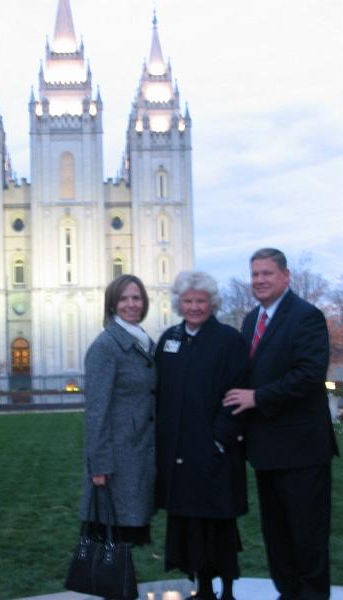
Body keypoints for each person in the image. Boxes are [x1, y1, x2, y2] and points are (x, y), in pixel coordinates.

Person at [224, 248, 339, 600]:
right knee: (278, 536)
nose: (259, 280)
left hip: (302, 450)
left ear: (285, 276)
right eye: (255, 274)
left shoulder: (306, 317)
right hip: (266, 449)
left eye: (267, 274)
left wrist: (257, 397)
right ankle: (287, 593)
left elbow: (308, 376)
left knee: (307, 535)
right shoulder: (250, 320)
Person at [155, 270, 249, 600]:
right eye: (188, 300)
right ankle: (203, 587)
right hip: (181, 455)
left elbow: (239, 391)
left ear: (212, 303)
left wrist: (220, 439)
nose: (194, 306)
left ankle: (227, 590)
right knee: (192, 526)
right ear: (179, 303)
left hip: (215, 453)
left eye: (201, 301)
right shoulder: (170, 339)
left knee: (219, 524)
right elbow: (160, 392)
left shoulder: (228, 340)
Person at [79, 274, 156, 545]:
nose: (131, 304)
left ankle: (124, 586)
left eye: (136, 298)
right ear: (112, 304)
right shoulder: (106, 346)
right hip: (117, 459)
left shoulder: (143, 341)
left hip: (140, 452)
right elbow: (96, 411)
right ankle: (113, 587)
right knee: (115, 535)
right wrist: (98, 465)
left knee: (129, 532)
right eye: (123, 299)